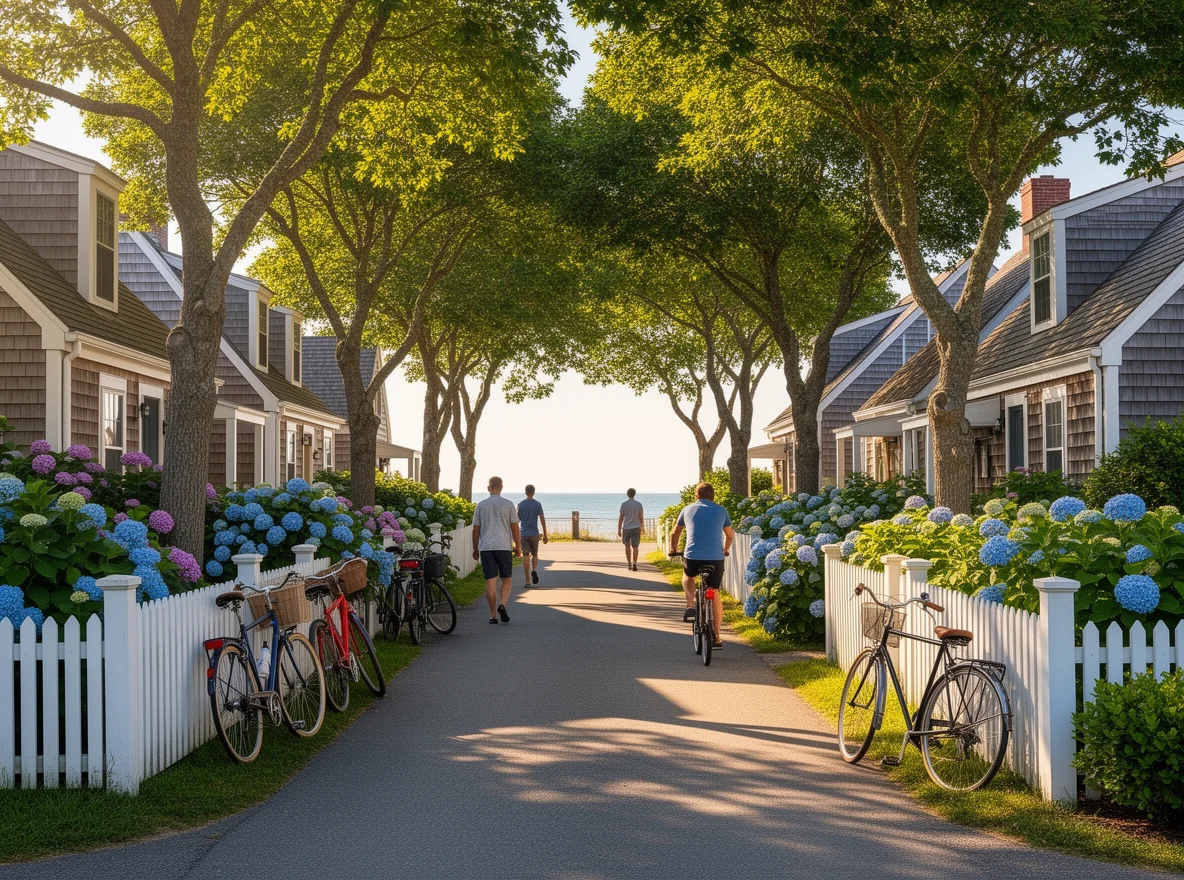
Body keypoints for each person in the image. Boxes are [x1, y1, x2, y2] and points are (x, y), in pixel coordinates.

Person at [667, 482, 733, 649]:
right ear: (713, 496)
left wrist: (673, 549)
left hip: (693, 557)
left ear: (696, 496)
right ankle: (717, 637)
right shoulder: (721, 510)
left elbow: (675, 533)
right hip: (715, 559)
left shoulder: (687, 509)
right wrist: (725, 549)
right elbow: (730, 535)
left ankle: (690, 605)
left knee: (688, 575)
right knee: (715, 592)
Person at [471, 475, 521, 624]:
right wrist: (518, 546)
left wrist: (475, 548)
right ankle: (503, 603)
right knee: (506, 578)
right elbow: (515, 527)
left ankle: (493, 615)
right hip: (504, 546)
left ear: (489, 488)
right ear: (502, 487)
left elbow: (475, 529)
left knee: (490, 581)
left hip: (486, 547)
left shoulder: (481, 505)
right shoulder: (508, 504)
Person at [517, 484, 548, 587]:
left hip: (524, 534)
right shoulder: (537, 504)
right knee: (535, 554)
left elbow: (518, 519)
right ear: (533, 492)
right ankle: (534, 570)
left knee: (526, 557)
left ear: (525, 492)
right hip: (534, 533)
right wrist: (545, 534)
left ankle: (527, 581)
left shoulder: (521, 504)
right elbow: (542, 520)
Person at [618, 488, 644, 571]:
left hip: (626, 528)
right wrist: (642, 527)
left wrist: (619, 529)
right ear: (634, 494)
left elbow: (621, 518)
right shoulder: (639, 504)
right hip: (636, 527)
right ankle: (635, 563)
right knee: (635, 546)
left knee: (627, 546)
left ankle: (629, 563)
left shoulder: (624, 504)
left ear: (627, 494)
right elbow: (641, 517)